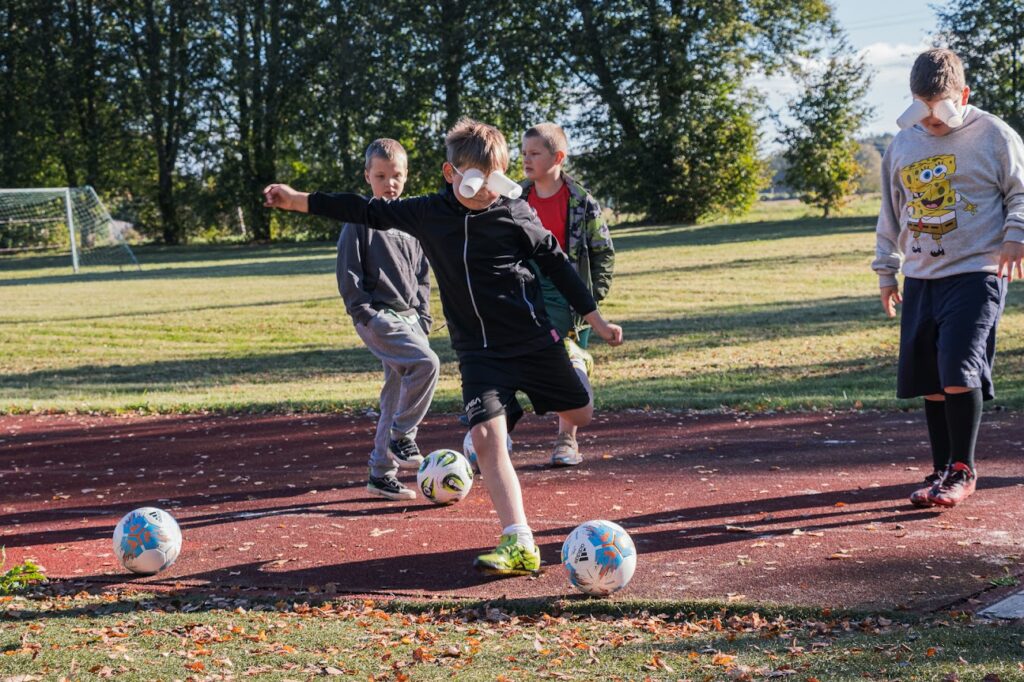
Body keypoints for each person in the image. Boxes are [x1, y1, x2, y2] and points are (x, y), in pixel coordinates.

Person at [264, 117, 623, 575]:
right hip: (478, 352)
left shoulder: (514, 211)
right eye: (476, 181)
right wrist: (299, 201)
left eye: (496, 180)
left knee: (580, 412)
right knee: (488, 441)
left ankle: (575, 362)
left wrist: (596, 320)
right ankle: (520, 542)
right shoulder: (428, 212)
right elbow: (365, 209)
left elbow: (557, 264)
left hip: (532, 340)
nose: (486, 192)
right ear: (450, 174)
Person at [873, 48, 1024, 508]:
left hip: (977, 271)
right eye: (924, 106)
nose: (932, 119)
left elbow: (1021, 190)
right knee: (931, 379)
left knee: (958, 366)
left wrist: (1016, 236)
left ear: (964, 94)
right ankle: (941, 470)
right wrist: (886, 270)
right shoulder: (902, 143)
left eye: (942, 107)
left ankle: (963, 469)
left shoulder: (994, 134)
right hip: (922, 275)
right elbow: (891, 212)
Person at [338, 138, 439, 501]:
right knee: (428, 363)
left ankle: (381, 473)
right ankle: (402, 436)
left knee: (394, 395)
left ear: (406, 176)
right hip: (379, 317)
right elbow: (348, 275)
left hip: (412, 320)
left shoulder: (411, 222)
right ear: (368, 176)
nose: (389, 183)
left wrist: (424, 318)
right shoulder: (359, 220)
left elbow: (422, 276)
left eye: (396, 175)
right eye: (381, 175)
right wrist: (365, 314)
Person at [521, 122, 615, 467]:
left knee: (570, 364)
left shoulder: (581, 201)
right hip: (526, 294)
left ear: (557, 157)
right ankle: (492, 433)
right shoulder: (517, 198)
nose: (526, 160)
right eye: (524, 153)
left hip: (572, 298)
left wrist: (593, 295)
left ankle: (567, 439)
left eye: (535, 153)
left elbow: (603, 251)